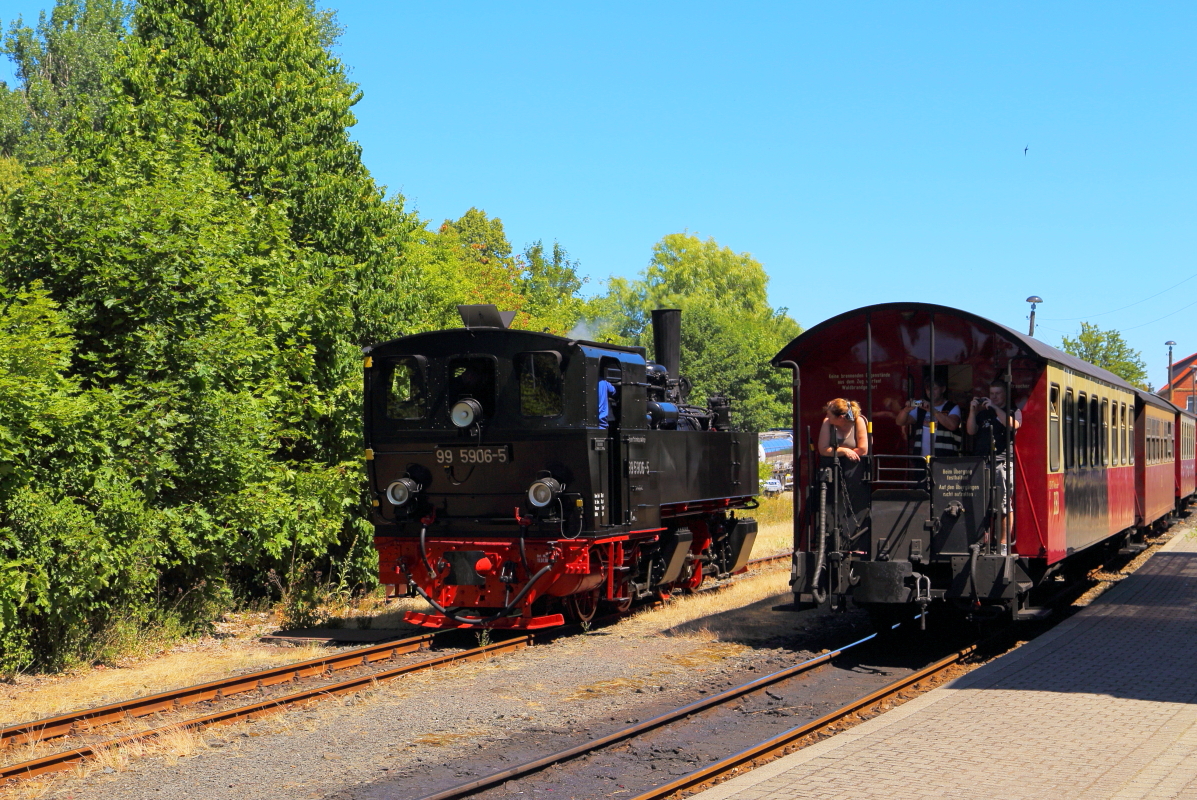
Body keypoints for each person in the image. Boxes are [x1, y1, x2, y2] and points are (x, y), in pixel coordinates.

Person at [966, 380, 1022, 553]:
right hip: (982, 463)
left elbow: (1014, 425)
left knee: (1004, 504)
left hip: (1002, 463)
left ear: (1005, 394)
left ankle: (1004, 544)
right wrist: (972, 411)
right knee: (981, 503)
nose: (994, 397)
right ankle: (983, 541)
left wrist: (996, 409)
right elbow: (971, 431)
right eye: (991, 394)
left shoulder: (1013, 411)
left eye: (997, 393)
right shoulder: (983, 414)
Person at [895, 378, 962, 457]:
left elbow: (952, 425)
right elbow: (900, 422)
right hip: (921, 458)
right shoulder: (920, 408)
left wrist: (932, 410)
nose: (931, 392)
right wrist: (906, 409)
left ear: (943, 389)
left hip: (945, 459)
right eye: (928, 389)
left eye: (935, 389)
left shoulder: (952, 407)